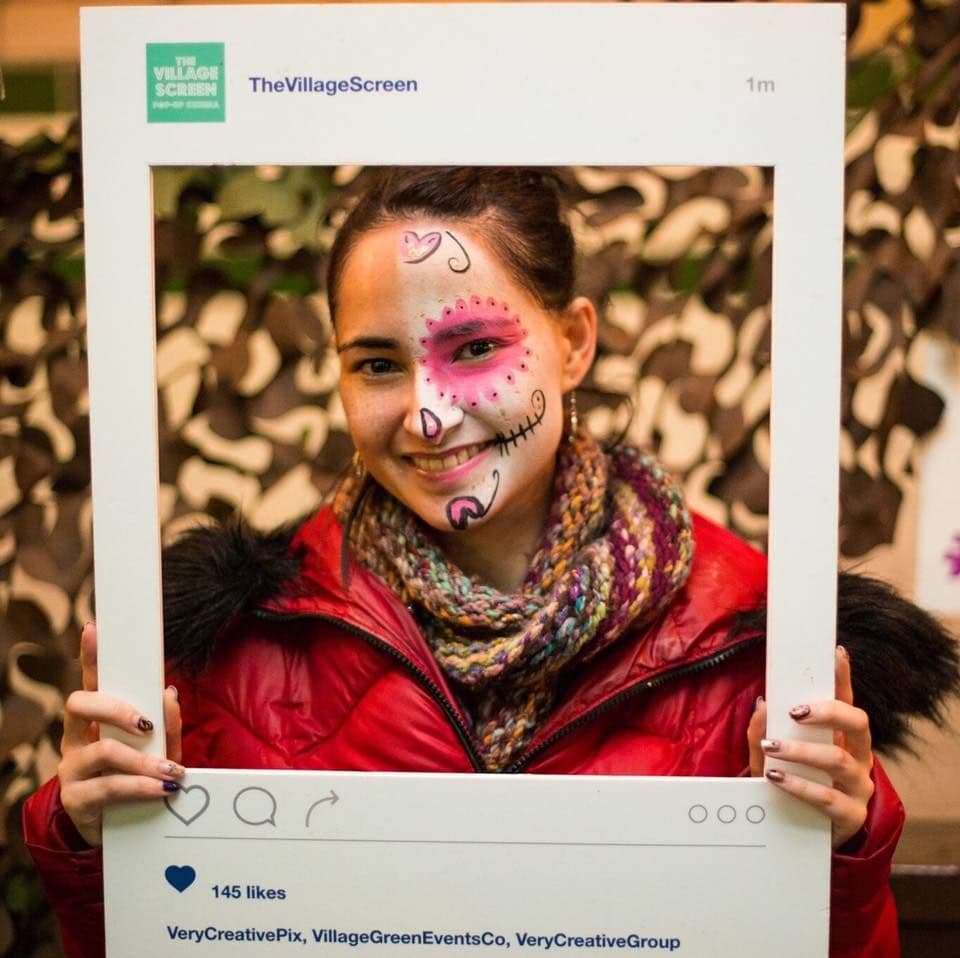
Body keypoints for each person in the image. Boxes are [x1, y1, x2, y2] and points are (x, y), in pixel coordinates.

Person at [23, 168, 959, 958]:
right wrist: (97, 850)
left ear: (574, 340)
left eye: (474, 349)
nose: (429, 415)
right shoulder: (228, 646)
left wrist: (836, 861)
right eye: (379, 365)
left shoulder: (757, 641)